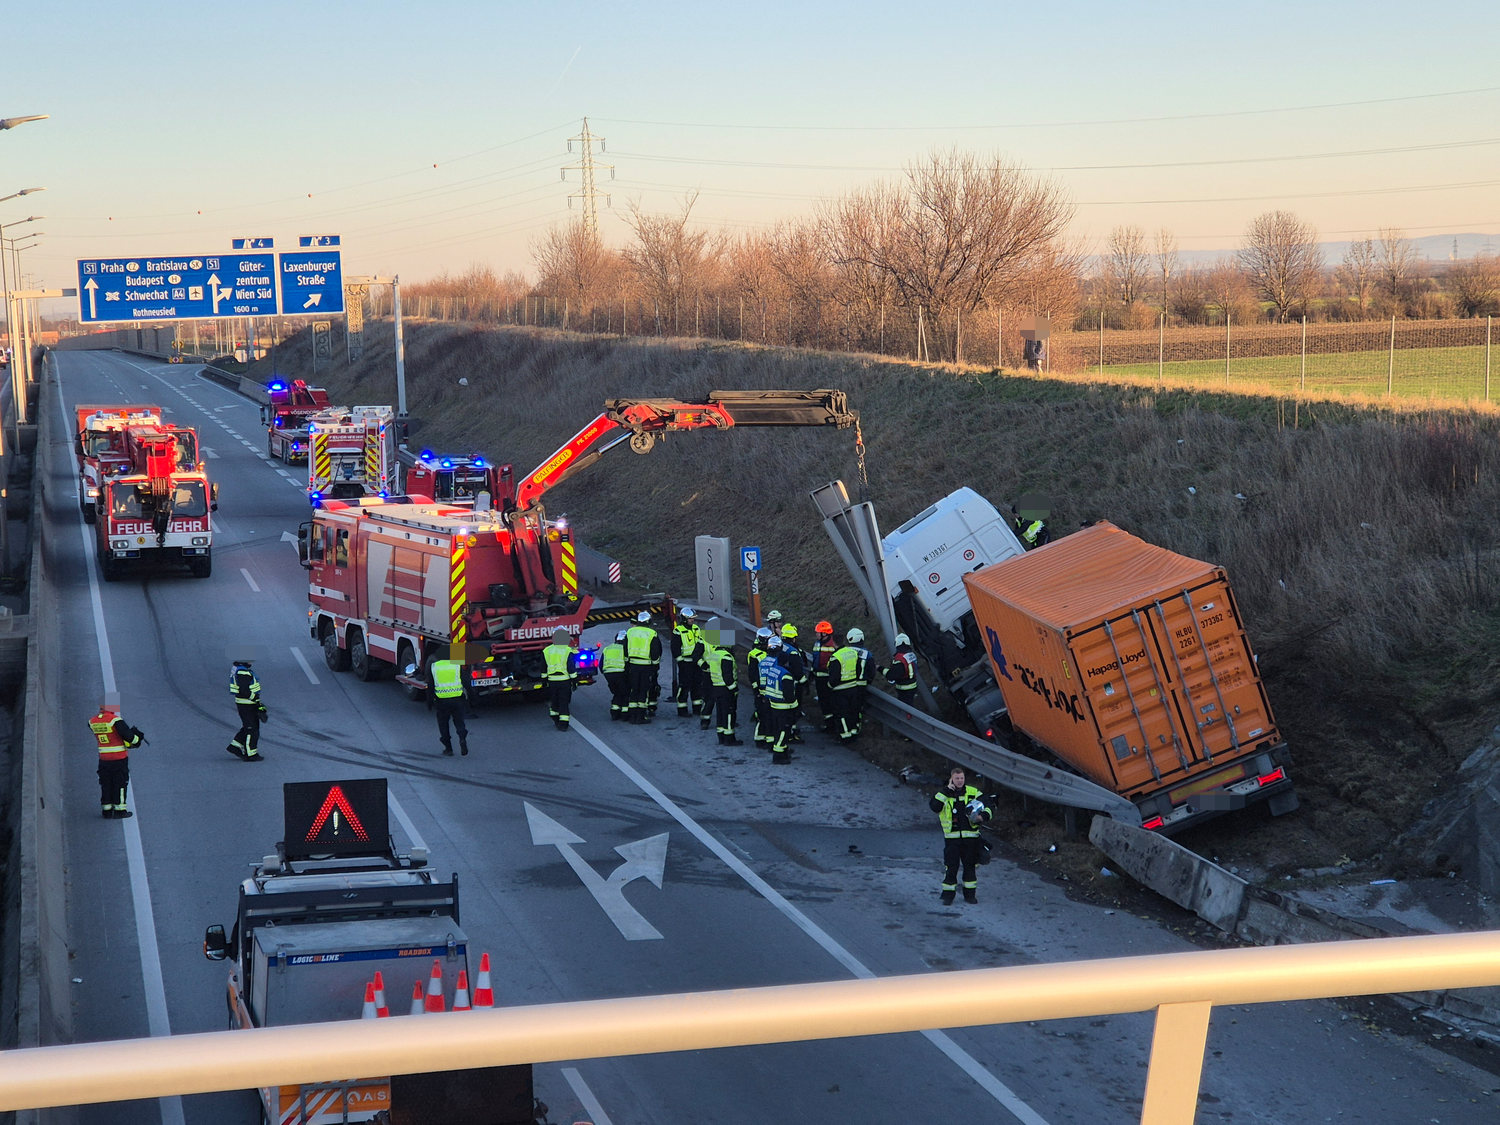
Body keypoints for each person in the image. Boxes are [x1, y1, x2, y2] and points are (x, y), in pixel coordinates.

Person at [930, 767, 992, 904]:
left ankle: (970, 896)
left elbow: (988, 803)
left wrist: (984, 815)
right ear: (951, 779)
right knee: (951, 868)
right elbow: (934, 807)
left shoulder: (972, 792)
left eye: (962, 778)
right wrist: (945, 792)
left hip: (971, 838)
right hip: (952, 839)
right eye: (957, 778)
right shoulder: (943, 794)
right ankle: (948, 896)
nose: (959, 781)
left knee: (970, 867)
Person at [89, 693, 144, 818]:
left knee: (106, 784)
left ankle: (107, 811)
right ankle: (120, 810)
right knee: (120, 784)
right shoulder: (115, 720)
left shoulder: (92, 721)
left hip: (104, 759)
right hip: (119, 758)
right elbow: (129, 737)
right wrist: (138, 738)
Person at [828, 628, 871, 745]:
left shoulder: (836, 657)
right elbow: (859, 669)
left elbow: (834, 677)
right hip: (853, 688)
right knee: (852, 712)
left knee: (842, 714)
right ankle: (853, 733)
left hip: (840, 690)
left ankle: (845, 737)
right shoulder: (852, 653)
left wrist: (829, 685)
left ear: (833, 642)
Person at [759, 636, 798, 762]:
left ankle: (783, 752)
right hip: (783, 707)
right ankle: (778, 755)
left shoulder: (773, 671)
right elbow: (789, 695)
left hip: (773, 705)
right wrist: (795, 706)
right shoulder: (786, 675)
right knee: (784, 731)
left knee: (777, 730)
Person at [426, 649, 470, 755]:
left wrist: (429, 703)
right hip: (457, 700)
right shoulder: (456, 665)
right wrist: (472, 698)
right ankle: (462, 737)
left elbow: (430, 686)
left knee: (443, 724)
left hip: (442, 701)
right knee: (459, 722)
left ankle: (448, 748)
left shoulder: (434, 667)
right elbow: (466, 682)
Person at [625, 611, 662, 725]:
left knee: (634, 690)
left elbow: (625, 649)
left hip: (633, 665)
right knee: (643, 691)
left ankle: (632, 717)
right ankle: (640, 717)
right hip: (646, 666)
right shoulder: (652, 633)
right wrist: (655, 666)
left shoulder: (630, 632)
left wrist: (627, 664)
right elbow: (656, 651)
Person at [227, 656, 267, 761]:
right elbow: (244, 690)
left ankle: (235, 746)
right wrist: (255, 700)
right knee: (251, 729)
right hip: (247, 704)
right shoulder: (243, 672)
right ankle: (251, 754)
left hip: (246, 703)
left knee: (249, 726)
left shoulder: (241, 669)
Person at [705, 634, 741, 745]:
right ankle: (729, 738)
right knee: (729, 714)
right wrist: (734, 689)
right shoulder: (726, 657)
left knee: (720, 713)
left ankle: (721, 737)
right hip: (726, 690)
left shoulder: (714, 654)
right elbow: (727, 677)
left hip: (716, 687)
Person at [671, 607, 706, 719]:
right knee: (684, 686)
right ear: (684, 619)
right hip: (685, 663)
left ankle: (697, 709)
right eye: (690, 618)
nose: (692, 620)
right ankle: (682, 710)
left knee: (697, 686)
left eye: (693, 618)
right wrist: (680, 662)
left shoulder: (696, 628)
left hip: (696, 662)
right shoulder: (678, 630)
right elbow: (675, 648)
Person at [542, 628, 580, 731]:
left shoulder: (547, 650)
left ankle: (555, 717)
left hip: (552, 681)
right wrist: (574, 681)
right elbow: (571, 667)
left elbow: (543, 667)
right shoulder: (567, 650)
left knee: (554, 701)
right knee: (563, 702)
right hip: (564, 681)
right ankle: (563, 724)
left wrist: (544, 681)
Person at [778, 624, 807, 743]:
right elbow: (798, 671)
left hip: (780, 682)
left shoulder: (780, 646)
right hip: (794, 684)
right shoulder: (793, 652)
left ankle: (788, 731)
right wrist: (804, 683)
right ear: (793, 638)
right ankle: (791, 733)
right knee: (794, 709)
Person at [746, 626, 772, 746]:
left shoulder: (767, 652)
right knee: (762, 715)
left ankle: (767, 738)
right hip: (760, 690)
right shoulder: (755, 654)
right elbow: (752, 674)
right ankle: (760, 739)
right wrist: (756, 690)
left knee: (768, 715)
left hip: (768, 688)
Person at [811, 621, 839, 733]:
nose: (816, 634)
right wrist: (812, 672)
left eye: (818, 632)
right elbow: (815, 660)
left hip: (829, 679)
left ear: (824, 633)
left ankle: (833, 725)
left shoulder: (832, 645)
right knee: (823, 702)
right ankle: (828, 725)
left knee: (830, 702)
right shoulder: (817, 644)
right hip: (819, 678)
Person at [602, 630, 629, 721]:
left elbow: (601, 665)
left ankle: (614, 713)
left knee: (617, 693)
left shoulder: (607, 648)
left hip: (608, 674)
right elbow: (628, 662)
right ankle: (625, 714)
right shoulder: (625, 648)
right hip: (621, 673)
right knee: (626, 693)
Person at [883, 633, 919, 698]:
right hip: (913, 686)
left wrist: (881, 669)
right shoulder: (912, 654)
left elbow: (893, 675)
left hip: (904, 689)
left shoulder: (900, 658)